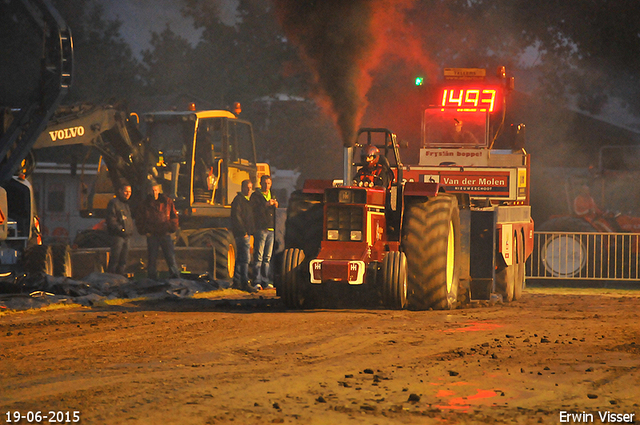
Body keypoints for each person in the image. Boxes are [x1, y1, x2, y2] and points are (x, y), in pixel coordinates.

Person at [135, 182, 180, 280]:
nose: (154, 193)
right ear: (148, 191)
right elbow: (139, 219)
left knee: (170, 257)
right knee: (152, 258)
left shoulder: (167, 202)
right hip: (152, 235)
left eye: (155, 190)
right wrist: (144, 231)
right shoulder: (144, 204)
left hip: (165, 234)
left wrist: (171, 228)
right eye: (152, 191)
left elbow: (174, 217)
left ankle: (175, 277)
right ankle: (152, 278)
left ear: (159, 191)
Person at [250, 175, 278, 289]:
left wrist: (276, 205)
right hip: (261, 229)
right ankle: (256, 281)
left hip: (271, 229)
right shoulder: (256, 196)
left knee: (267, 258)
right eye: (265, 183)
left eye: (269, 183)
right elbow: (253, 211)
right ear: (261, 184)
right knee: (259, 257)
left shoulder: (273, 194)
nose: (267, 186)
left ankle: (266, 281)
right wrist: (266, 205)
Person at [231, 179, 258, 292]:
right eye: (247, 187)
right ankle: (244, 282)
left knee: (240, 258)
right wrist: (243, 232)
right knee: (245, 259)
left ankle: (237, 281)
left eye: (251, 188)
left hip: (247, 233)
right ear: (242, 188)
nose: (249, 190)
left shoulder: (248, 201)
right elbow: (237, 217)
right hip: (242, 234)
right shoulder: (238, 201)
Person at [106, 184, 133, 275]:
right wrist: (121, 230)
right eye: (126, 191)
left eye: (129, 192)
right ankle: (111, 278)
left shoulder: (126, 204)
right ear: (120, 191)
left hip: (127, 236)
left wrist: (129, 231)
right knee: (115, 259)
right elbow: (111, 220)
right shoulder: (114, 203)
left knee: (123, 260)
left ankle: (120, 278)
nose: (127, 194)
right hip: (117, 236)